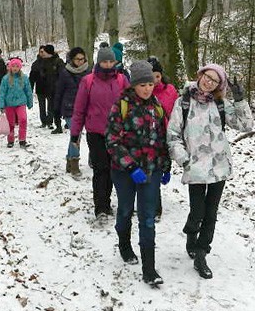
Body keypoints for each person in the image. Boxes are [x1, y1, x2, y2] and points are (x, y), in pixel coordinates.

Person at [166, 64, 253, 279]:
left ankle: (201, 253)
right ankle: (190, 234)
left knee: (211, 213)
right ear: (200, 75)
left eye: (214, 81)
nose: (208, 82)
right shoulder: (183, 102)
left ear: (218, 85)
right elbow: (173, 135)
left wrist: (240, 100)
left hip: (218, 166)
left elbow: (246, 125)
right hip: (195, 167)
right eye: (207, 77)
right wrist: (183, 159)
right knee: (197, 212)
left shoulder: (222, 104)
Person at [105, 60, 171, 286]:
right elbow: (112, 141)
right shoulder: (121, 106)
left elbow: (162, 139)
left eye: (150, 84)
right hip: (124, 172)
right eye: (142, 85)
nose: (147, 89)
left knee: (148, 218)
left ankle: (149, 269)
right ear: (134, 85)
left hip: (150, 171)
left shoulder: (157, 107)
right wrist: (130, 167)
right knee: (125, 211)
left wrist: (165, 165)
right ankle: (124, 244)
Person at [70, 46, 130, 218]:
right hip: (95, 132)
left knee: (115, 169)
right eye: (105, 61)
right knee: (100, 169)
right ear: (98, 62)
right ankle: (101, 206)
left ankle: (110, 202)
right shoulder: (88, 81)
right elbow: (79, 109)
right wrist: (75, 134)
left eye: (111, 61)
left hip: (118, 133)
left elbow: (131, 105)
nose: (108, 64)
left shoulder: (121, 80)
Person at [148, 56, 179, 219]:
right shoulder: (142, 90)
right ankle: (154, 207)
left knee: (161, 168)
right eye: (151, 76)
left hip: (166, 135)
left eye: (157, 76)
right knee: (150, 171)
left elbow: (178, 112)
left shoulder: (170, 90)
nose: (154, 80)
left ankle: (166, 172)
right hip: (147, 136)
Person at [54, 47, 90, 175]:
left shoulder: (89, 72)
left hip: (86, 107)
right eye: (77, 59)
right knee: (77, 135)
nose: (80, 62)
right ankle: (74, 162)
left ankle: (70, 159)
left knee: (76, 136)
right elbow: (59, 91)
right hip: (70, 108)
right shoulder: (65, 72)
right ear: (72, 59)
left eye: (82, 59)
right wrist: (56, 109)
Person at [0, 57, 34, 148]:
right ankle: (10, 140)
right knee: (11, 123)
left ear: (20, 67)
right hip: (9, 104)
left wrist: (30, 102)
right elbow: (1, 92)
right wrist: (1, 105)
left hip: (21, 103)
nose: (15, 68)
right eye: (13, 66)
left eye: (17, 66)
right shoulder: (5, 79)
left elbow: (28, 91)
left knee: (23, 119)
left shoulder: (24, 78)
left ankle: (22, 140)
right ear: (10, 67)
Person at [29, 44, 64, 132]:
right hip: (40, 88)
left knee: (51, 106)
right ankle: (44, 121)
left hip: (52, 88)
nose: (42, 53)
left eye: (44, 52)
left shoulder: (57, 62)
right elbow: (32, 77)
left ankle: (50, 121)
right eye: (41, 52)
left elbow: (61, 76)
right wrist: (30, 88)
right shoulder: (37, 63)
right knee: (42, 106)